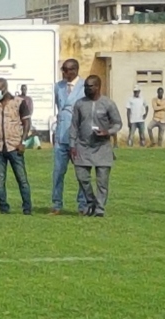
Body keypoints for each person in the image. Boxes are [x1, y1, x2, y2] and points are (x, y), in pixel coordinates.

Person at [69, 75, 122, 218]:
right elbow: (74, 125)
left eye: (90, 86)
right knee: (82, 177)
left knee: (102, 181)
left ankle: (99, 208)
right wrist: (72, 145)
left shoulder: (108, 104)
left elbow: (118, 123)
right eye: (85, 86)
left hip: (102, 147)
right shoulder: (80, 104)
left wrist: (107, 132)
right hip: (82, 146)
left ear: (98, 86)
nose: (87, 88)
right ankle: (91, 201)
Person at [0, 77, 32, 215]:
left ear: (5, 88)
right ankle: (3, 208)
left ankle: (27, 208)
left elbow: (27, 123)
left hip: (15, 146)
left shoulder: (18, 103)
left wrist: (23, 142)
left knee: (22, 180)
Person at [51, 59, 86, 215]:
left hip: (78, 137)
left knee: (81, 173)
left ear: (75, 70)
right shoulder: (59, 86)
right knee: (58, 172)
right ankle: (56, 204)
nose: (64, 73)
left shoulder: (85, 86)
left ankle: (83, 205)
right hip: (61, 136)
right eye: (62, 70)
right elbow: (60, 108)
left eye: (67, 70)